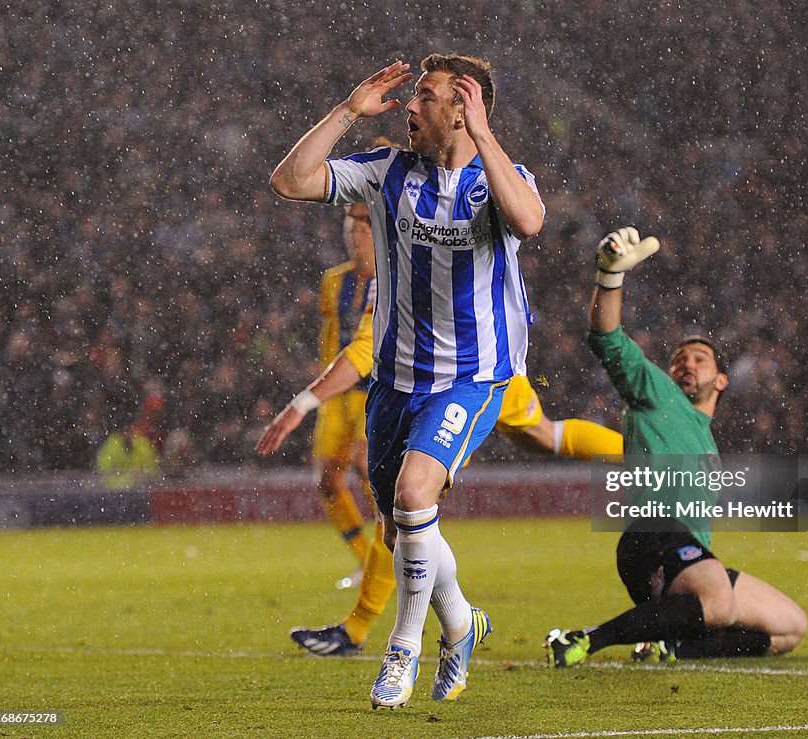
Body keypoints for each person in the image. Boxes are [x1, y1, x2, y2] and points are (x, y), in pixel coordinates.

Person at [269, 55, 545, 708]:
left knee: (418, 492)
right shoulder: (387, 172)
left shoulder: (499, 179)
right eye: (414, 94)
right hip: (393, 383)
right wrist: (345, 112)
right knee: (402, 529)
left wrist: (483, 135)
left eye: (427, 96)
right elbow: (289, 180)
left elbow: (529, 220)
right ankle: (462, 622)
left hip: (472, 377)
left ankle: (403, 649)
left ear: (462, 109)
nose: (411, 105)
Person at [256, 290, 623, 659]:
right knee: (545, 436)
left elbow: (366, 349)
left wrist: (302, 403)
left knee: (405, 507)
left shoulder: (402, 255)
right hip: (475, 369)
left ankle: (369, 632)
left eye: (359, 230)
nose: (354, 239)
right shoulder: (399, 259)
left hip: (460, 384)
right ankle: (659, 461)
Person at [545, 227, 807, 668]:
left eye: (700, 358)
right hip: (652, 536)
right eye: (679, 359)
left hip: (689, 554)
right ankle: (585, 638)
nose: (687, 363)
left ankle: (671, 647)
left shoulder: (705, 440)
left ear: (721, 380)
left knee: (789, 627)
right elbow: (607, 338)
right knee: (720, 606)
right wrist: (610, 278)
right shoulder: (657, 394)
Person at [310, 199, 377, 590]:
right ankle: (366, 561)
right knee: (327, 481)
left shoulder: (391, 277)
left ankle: (395, 554)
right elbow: (329, 333)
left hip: (373, 392)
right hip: (337, 393)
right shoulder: (333, 281)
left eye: (363, 231)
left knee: (370, 468)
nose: (355, 239)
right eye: (351, 232)